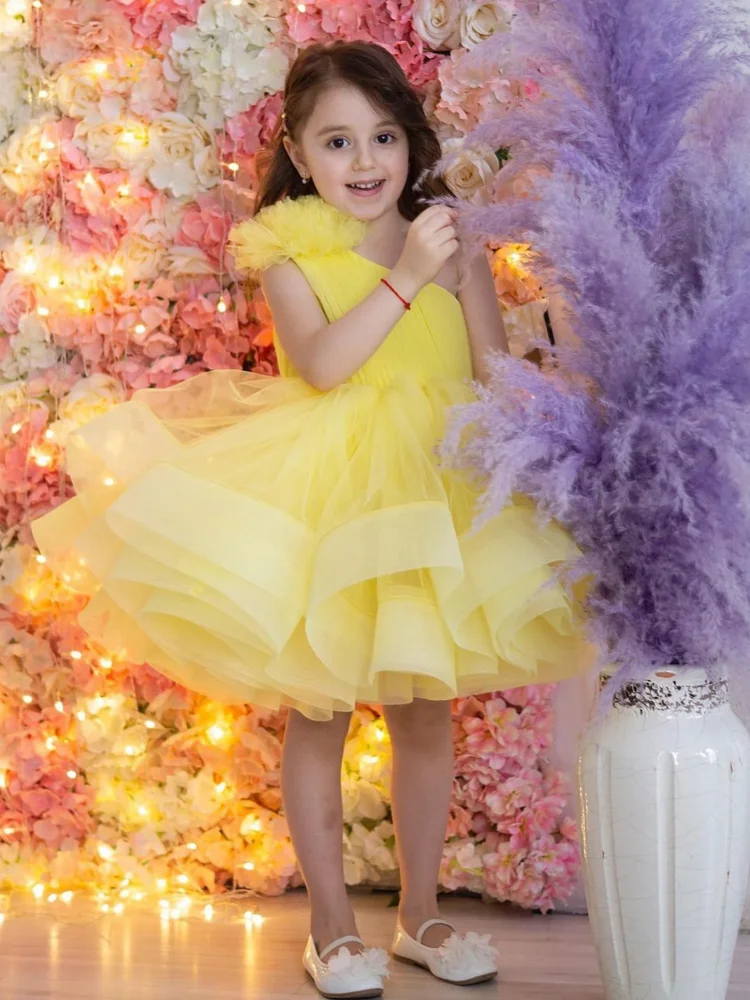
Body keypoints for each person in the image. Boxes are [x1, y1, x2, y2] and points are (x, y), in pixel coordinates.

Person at [32, 41, 587, 1000]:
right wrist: (409, 274)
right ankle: (331, 924)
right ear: (297, 148)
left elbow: (491, 373)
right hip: (332, 489)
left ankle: (420, 914)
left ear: (412, 143)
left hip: (435, 490)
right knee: (321, 706)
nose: (365, 160)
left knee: (424, 711)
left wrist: (546, 408)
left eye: (383, 136)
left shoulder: (450, 240)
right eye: (337, 141)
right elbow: (325, 366)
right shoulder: (289, 248)